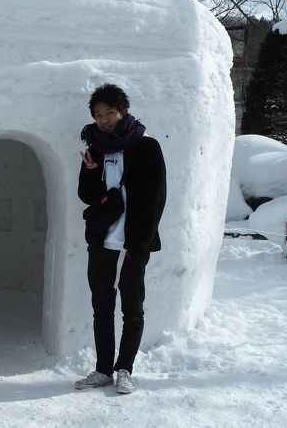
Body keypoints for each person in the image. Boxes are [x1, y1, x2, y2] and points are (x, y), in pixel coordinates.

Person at [74, 84, 166, 394]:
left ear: (123, 111)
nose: (103, 120)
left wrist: (142, 241)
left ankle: (124, 369)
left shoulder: (147, 147)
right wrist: (90, 170)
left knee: (132, 307)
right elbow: (87, 196)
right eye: (98, 115)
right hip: (102, 239)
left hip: (134, 241)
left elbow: (157, 198)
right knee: (102, 306)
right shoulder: (97, 149)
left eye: (109, 113)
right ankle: (102, 370)